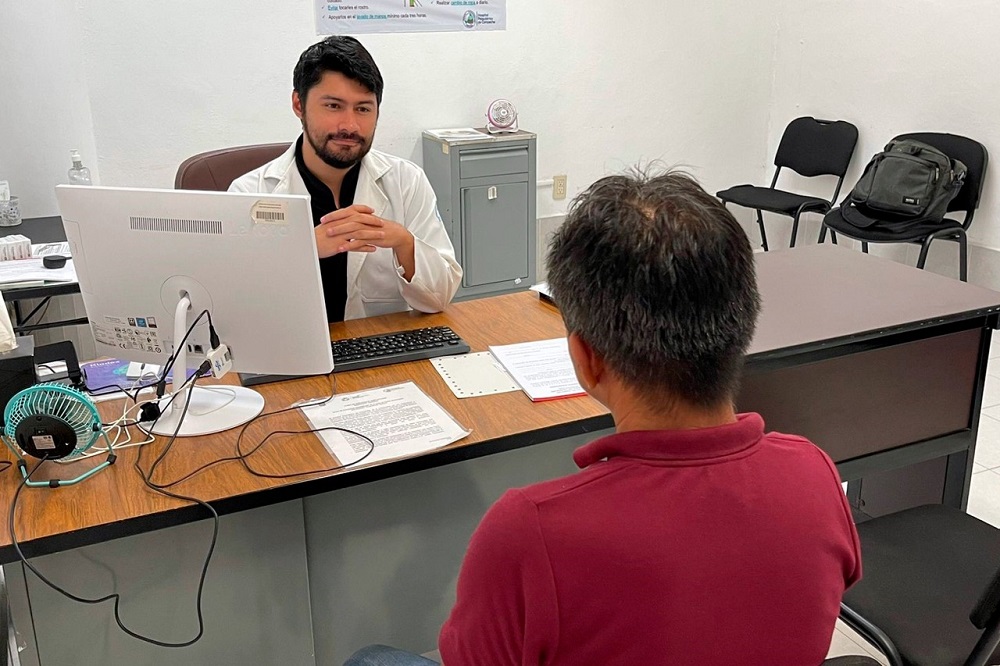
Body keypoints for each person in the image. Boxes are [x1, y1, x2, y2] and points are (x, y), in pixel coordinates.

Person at [344, 169, 861, 666]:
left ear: (586, 359)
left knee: (369, 659)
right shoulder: (814, 473)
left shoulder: (530, 532)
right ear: (741, 322)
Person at [230, 36, 461, 322]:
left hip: (382, 350)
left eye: (363, 108)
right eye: (333, 106)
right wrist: (303, 250)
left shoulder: (406, 181)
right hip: (296, 358)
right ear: (299, 105)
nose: (350, 126)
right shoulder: (250, 193)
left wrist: (404, 243)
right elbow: (238, 311)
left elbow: (439, 298)